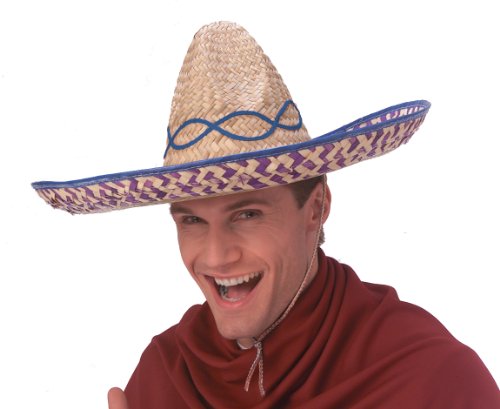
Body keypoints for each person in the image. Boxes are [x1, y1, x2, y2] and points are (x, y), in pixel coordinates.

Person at [33, 22, 499, 408]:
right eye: (192, 220)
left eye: (247, 214)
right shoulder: (167, 372)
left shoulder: (428, 377)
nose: (216, 256)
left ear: (316, 208)